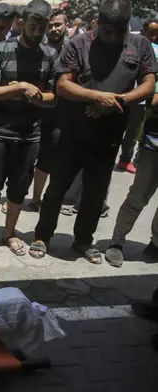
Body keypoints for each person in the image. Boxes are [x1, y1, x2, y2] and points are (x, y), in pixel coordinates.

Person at [30, 0, 157, 264]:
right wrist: (97, 97)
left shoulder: (140, 46)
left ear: (126, 27)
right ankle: (42, 236)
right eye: (107, 31)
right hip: (72, 132)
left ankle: (83, 240)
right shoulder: (79, 44)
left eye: (118, 31)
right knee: (57, 189)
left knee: (95, 194)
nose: (111, 37)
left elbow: (148, 84)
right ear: (98, 24)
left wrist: (118, 101)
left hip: (109, 136)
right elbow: (63, 85)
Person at [0, 0, 56, 257]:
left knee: (19, 187)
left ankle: (9, 233)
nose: (38, 32)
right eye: (32, 26)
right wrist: (18, 88)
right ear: (21, 23)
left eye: (42, 27)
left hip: (30, 133)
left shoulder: (50, 55)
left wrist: (35, 95)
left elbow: (55, 96)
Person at [105, 36, 158, 267]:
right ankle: (116, 243)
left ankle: (156, 244)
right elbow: (151, 98)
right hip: (154, 144)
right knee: (138, 196)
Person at [29, 9, 68, 212]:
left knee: (49, 158)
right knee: (27, 158)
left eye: (58, 25)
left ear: (65, 25)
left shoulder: (72, 49)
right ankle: (20, 196)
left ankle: (38, 198)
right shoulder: (40, 49)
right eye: (51, 25)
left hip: (59, 116)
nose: (54, 29)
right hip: (36, 111)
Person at [116, 18, 158, 174]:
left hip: (142, 100)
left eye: (156, 34)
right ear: (143, 30)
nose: (153, 37)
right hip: (123, 94)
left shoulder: (155, 48)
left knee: (133, 132)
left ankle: (125, 160)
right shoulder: (133, 44)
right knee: (117, 127)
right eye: (150, 33)